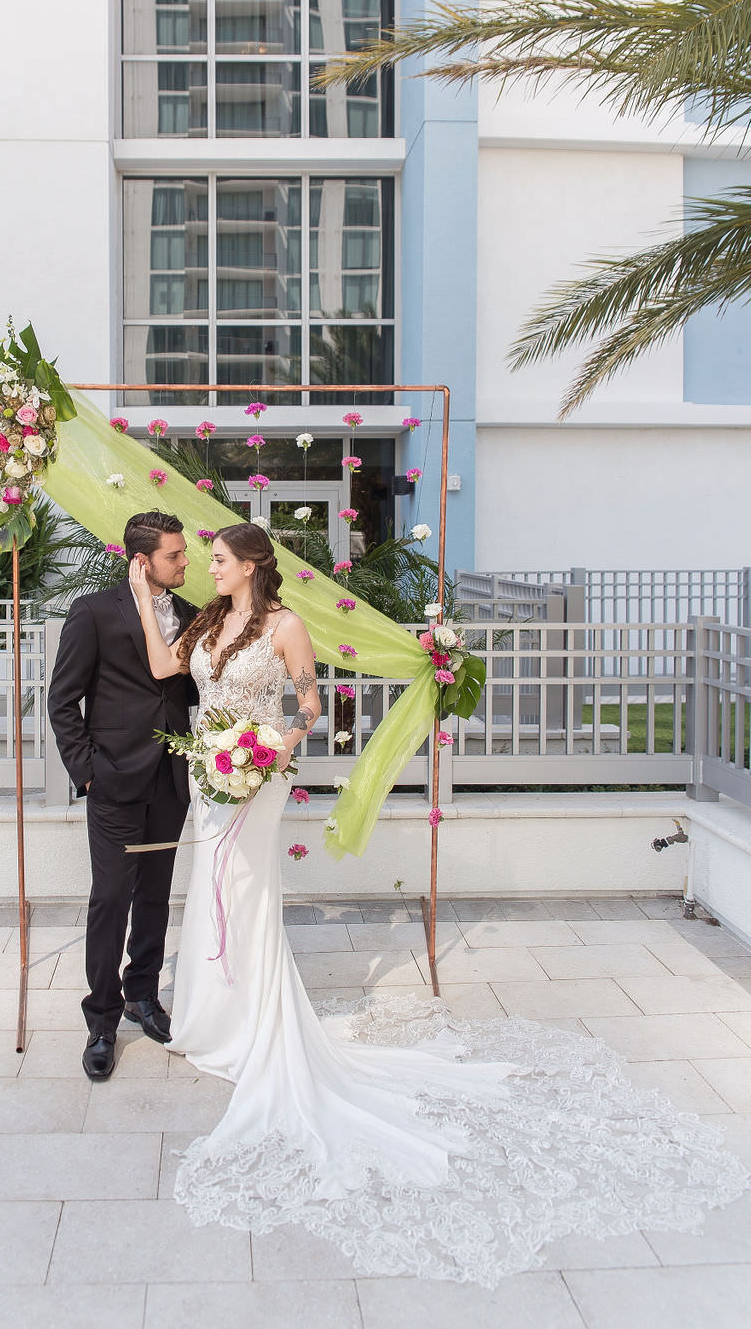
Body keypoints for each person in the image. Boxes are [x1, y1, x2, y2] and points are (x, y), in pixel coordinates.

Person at [128, 521, 748, 1286]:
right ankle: (206, 1018)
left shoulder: (287, 625)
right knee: (211, 893)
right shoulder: (205, 620)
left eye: (219, 558)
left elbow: (309, 703)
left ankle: (254, 1023)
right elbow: (165, 666)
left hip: (257, 780)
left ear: (254, 562)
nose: (210, 567)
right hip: (208, 778)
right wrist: (136, 588)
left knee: (250, 894)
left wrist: (277, 750)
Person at [48, 510, 197, 1081]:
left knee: (155, 894)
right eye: (175, 555)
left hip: (171, 778)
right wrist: (86, 770)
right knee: (110, 897)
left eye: (184, 554)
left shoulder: (188, 615)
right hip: (112, 775)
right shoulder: (92, 612)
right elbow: (63, 700)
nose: (185, 563)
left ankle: (142, 996)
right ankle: (102, 1019)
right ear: (143, 561)